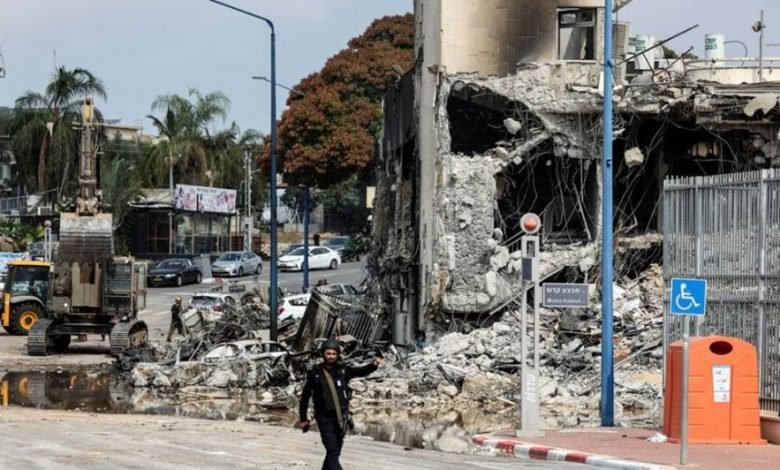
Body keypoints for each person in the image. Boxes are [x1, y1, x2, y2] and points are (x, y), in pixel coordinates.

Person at [299, 339, 384, 470]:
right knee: (332, 451)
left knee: (334, 453)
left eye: (333, 354)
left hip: (340, 418)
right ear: (323, 354)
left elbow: (361, 371)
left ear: (337, 355)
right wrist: (303, 419)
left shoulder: (343, 370)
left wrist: (374, 365)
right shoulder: (315, 373)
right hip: (324, 418)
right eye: (328, 353)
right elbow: (305, 397)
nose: (331, 356)